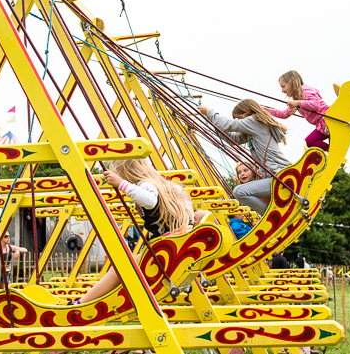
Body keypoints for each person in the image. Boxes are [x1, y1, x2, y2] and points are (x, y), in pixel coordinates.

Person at [78, 159, 195, 304]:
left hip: (169, 247)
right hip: (177, 246)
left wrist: (121, 183)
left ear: (126, 173)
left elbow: (150, 200)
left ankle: (82, 303)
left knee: (123, 267)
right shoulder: (165, 186)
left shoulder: (145, 185)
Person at [199, 100, 291, 215]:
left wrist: (209, 112)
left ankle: (271, 215)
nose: (240, 123)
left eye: (239, 119)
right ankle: (271, 213)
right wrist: (215, 124)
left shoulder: (255, 120)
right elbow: (234, 139)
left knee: (239, 191)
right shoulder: (254, 130)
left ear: (245, 113)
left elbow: (227, 124)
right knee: (245, 190)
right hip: (277, 176)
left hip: (279, 176)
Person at [268, 70, 331, 151]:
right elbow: (284, 114)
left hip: (327, 120)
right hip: (322, 124)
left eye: (283, 87)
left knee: (310, 141)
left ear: (291, 83)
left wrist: (298, 103)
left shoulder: (305, 90)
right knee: (310, 141)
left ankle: (333, 151)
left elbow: (315, 104)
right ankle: (333, 151)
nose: (282, 91)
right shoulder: (296, 99)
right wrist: (267, 110)